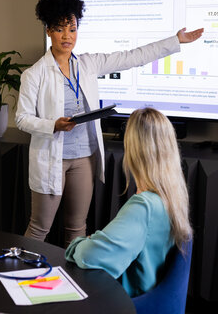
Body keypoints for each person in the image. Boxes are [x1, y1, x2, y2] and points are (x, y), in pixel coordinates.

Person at [15, 0, 202, 247]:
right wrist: (52, 125)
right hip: (51, 160)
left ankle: (73, 285)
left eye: (72, 28)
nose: (67, 36)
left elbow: (131, 57)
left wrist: (175, 41)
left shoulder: (88, 64)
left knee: (77, 228)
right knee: (39, 229)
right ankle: (21, 280)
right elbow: (22, 119)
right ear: (48, 30)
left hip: (83, 158)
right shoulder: (34, 74)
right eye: (59, 29)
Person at [65, 107, 192, 297]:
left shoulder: (144, 207)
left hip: (126, 303)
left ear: (133, 150)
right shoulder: (173, 196)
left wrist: (79, 243)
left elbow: (87, 256)